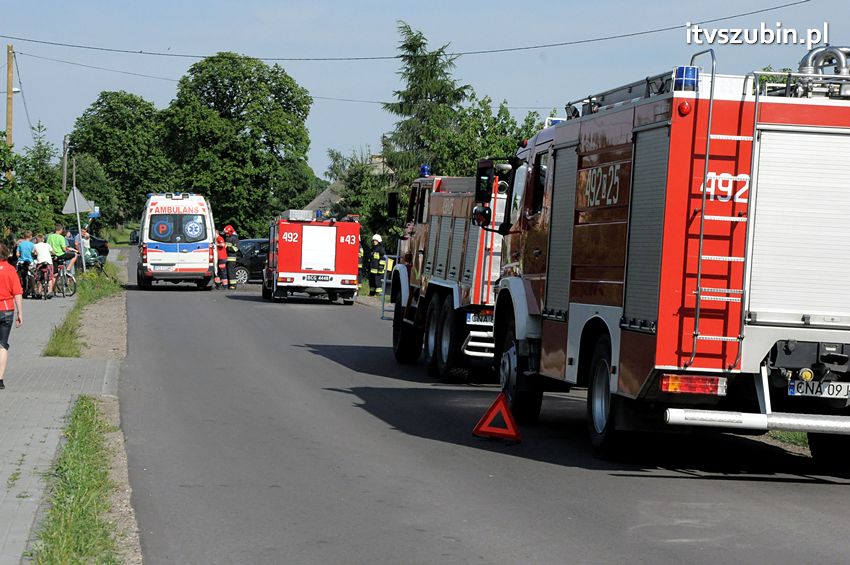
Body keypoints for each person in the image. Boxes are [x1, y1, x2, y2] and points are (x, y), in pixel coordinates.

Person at [0, 242, 24, 389]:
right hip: (7, 309)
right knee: (2, 345)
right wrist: (20, 312)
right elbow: (17, 292)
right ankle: (0, 379)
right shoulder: (10, 269)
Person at [15, 231, 35, 297]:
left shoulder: (20, 244)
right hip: (30, 261)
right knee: (32, 275)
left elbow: (17, 254)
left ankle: (22, 289)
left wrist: (20, 256)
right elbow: (34, 253)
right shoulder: (32, 245)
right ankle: (33, 290)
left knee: (19, 275)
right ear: (31, 237)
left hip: (21, 261)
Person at [223, 225, 239, 290]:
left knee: (231, 271)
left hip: (232, 258)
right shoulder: (228, 237)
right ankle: (229, 284)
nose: (226, 234)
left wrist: (227, 247)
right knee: (226, 271)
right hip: (227, 257)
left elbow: (235, 249)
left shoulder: (234, 238)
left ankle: (233, 285)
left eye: (227, 232)